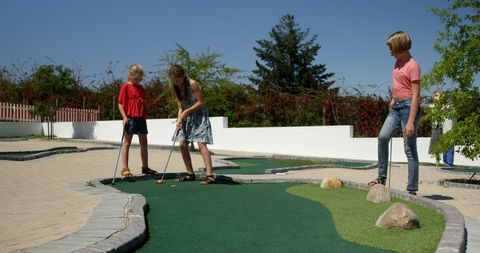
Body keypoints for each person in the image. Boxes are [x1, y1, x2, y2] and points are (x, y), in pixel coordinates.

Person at [368, 31, 421, 195]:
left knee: (409, 148)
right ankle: (381, 178)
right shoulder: (397, 62)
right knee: (383, 137)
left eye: (391, 48)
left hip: (408, 108)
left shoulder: (413, 65)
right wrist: (393, 98)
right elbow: (399, 84)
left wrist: (411, 120)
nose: (389, 51)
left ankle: (411, 189)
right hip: (396, 107)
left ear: (400, 47)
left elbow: (416, 95)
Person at [168, 64, 215, 185]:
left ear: (183, 76)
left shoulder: (192, 83)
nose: (176, 83)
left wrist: (186, 112)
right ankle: (190, 173)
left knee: (201, 144)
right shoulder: (175, 87)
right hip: (186, 116)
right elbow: (180, 107)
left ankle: (209, 175)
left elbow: (201, 102)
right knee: (182, 144)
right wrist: (179, 119)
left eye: (178, 80)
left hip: (199, 115)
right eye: (174, 81)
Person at [117, 64, 159, 179]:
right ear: (131, 76)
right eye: (137, 78)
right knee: (127, 143)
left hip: (140, 117)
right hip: (130, 117)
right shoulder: (125, 87)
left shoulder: (141, 88)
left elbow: (141, 102)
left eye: (140, 78)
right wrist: (124, 117)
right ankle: (125, 168)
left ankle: (145, 167)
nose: (139, 80)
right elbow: (120, 103)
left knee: (144, 142)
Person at [428, 91, 443, 165]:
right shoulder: (432, 105)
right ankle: (437, 159)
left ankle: (441, 159)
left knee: (441, 142)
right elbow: (431, 107)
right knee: (434, 142)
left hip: (441, 126)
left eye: (439, 96)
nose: (438, 97)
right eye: (436, 95)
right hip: (435, 126)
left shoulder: (443, 106)